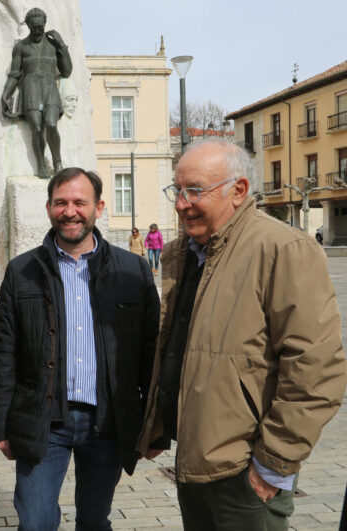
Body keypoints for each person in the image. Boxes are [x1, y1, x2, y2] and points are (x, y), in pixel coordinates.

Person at [137, 138, 347, 531]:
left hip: (247, 468)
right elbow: (177, 349)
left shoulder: (283, 248)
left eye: (195, 190)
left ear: (238, 191)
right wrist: (158, 423)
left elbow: (316, 371)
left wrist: (274, 461)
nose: (181, 203)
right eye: (177, 190)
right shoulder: (184, 253)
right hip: (195, 459)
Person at [0, 167, 161, 530]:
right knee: (35, 522)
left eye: (79, 202)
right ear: (49, 207)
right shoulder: (22, 271)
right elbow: (6, 352)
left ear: (98, 207)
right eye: (61, 202)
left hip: (108, 421)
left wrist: (155, 426)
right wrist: (0, 424)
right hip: (44, 418)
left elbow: (151, 352)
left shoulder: (133, 271)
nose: (70, 211)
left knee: (95, 520)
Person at [0, 7, 72, 178]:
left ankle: (57, 162)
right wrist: (6, 95)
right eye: (34, 27)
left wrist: (62, 45)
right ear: (29, 26)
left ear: (44, 25)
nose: (38, 30)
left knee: (51, 124)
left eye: (40, 27)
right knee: (37, 129)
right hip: (30, 90)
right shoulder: (21, 47)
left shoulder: (53, 45)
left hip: (49, 89)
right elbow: (14, 75)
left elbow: (67, 71)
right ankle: (41, 165)